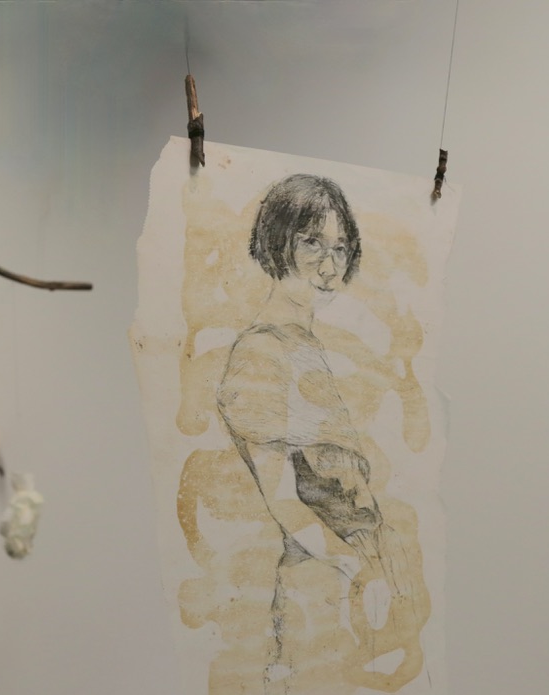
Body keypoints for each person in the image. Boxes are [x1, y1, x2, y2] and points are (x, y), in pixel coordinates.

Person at [216, 174, 423, 693]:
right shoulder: (261, 351)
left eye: (340, 248)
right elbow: (283, 501)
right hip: (322, 587)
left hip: (359, 583)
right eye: (312, 243)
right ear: (276, 242)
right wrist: (357, 570)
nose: (330, 267)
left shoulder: (304, 344)